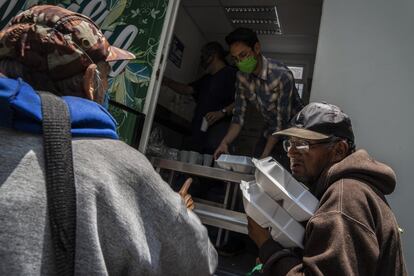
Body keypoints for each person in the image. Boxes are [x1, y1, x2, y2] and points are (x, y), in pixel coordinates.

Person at [0, 5, 217, 275]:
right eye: (107, 74)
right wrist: (176, 214)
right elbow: (201, 262)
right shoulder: (120, 167)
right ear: (92, 82)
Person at [247, 102, 407, 275]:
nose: (291, 152)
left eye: (303, 144)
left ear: (339, 150)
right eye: (290, 143)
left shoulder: (345, 198)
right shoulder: (349, 189)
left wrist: (267, 247)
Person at [214, 27, 303, 169]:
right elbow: (238, 117)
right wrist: (224, 142)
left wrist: (265, 156)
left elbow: (280, 123)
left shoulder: (282, 75)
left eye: (243, 55)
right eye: (235, 59)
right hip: (270, 128)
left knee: (276, 171)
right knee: (255, 166)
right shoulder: (241, 77)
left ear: (257, 48)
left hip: (292, 132)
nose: (240, 62)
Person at [162, 41, 237, 154]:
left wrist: (222, 112)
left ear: (212, 56)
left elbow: (241, 101)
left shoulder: (231, 74)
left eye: (203, 56)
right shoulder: (207, 79)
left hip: (218, 135)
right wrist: (166, 81)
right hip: (198, 133)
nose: (201, 59)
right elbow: (187, 89)